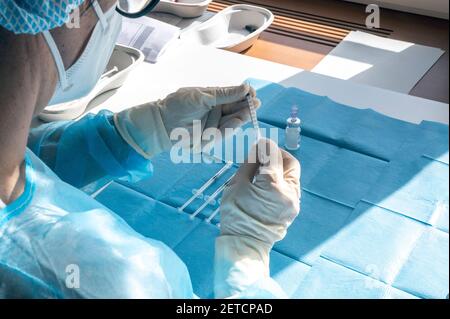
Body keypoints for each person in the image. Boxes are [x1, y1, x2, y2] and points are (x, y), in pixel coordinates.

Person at [0, 0, 301, 298]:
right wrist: (248, 251)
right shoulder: (104, 282)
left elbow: (26, 162)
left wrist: (142, 130)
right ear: (72, 11)